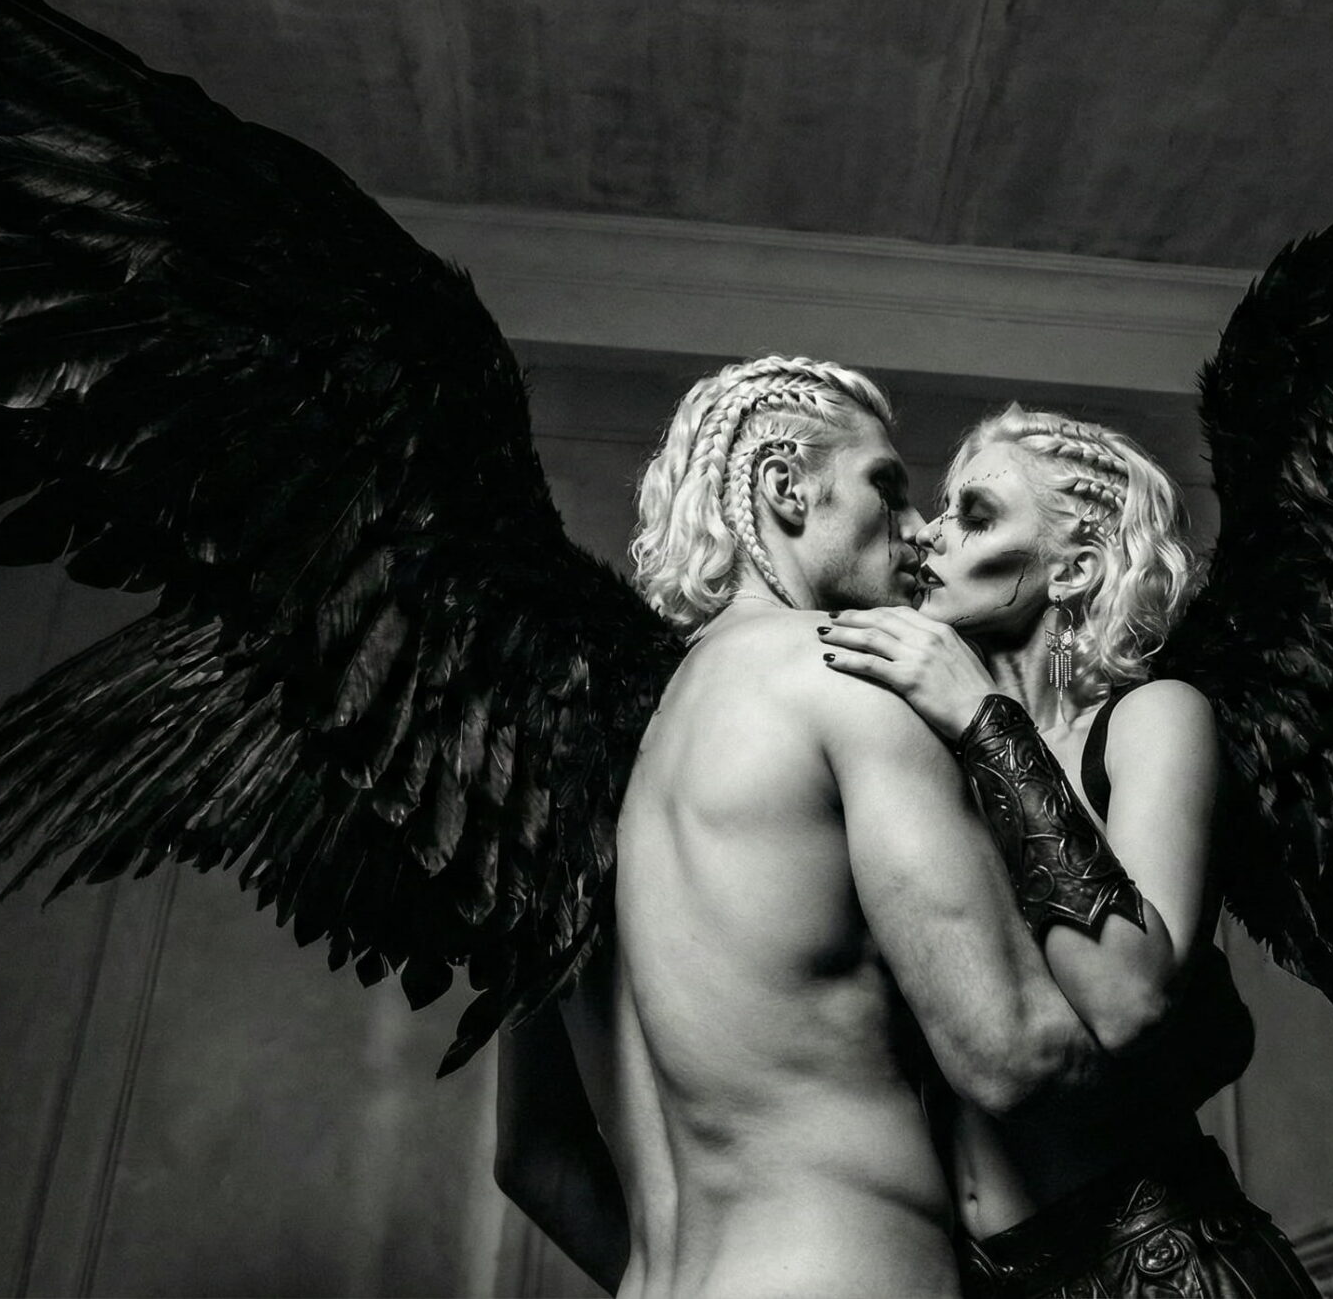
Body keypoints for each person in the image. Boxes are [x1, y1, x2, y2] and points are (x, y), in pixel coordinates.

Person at [495, 357, 1177, 1297]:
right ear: (785, 486)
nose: (917, 526)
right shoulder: (847, 682)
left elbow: (533, 1159)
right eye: (887, 486)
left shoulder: (583, 757)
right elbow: (1015, 1054)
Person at [819, 405, 1322, 1297]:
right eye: (943, 508)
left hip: (1163, 1268)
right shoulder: (912, 762)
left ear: (1075, 567)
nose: (930, 533)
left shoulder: (1154, 718)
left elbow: (1127, 998)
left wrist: (985, 718)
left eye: (976, 515)